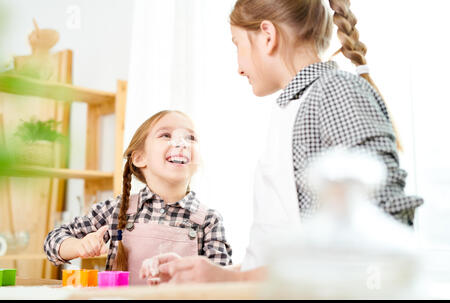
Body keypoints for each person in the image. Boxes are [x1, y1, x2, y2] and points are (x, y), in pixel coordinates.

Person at [140, 0, 424, 284]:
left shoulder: (335, 93)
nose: (239, 67)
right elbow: (284, 255)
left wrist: (236, 283)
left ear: (267, 36)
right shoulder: (292, 108)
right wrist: (216, 275)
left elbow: (372, 240)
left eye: (237, 44)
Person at [44, 110, 232, 285]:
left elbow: (222, 288)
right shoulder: (117, 210)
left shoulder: (209, 221)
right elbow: (52, 242)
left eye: (190, 138)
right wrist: (80, 245)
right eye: (166, 135)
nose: (180, 143)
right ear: (140, 158)